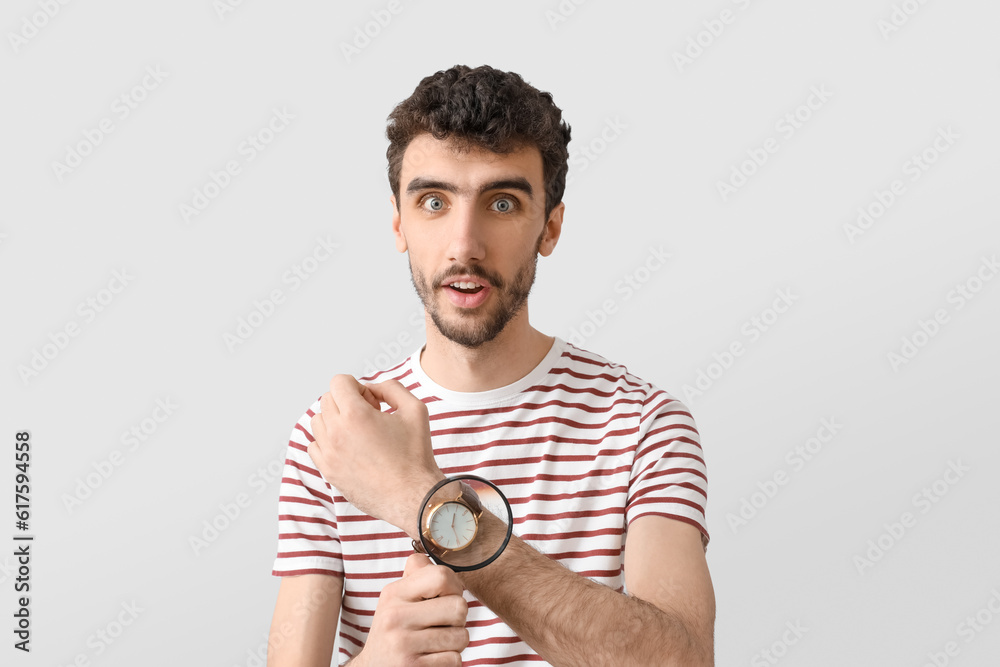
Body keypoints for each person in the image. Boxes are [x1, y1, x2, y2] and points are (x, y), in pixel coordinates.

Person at [267, 64, 715, 666]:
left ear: (549, 227)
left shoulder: (644, 427)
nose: (464, 245)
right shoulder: (335, 435)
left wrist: (415, 496)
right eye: (433, 201)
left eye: (502, 203)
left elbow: (681, 662)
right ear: (399, 223)